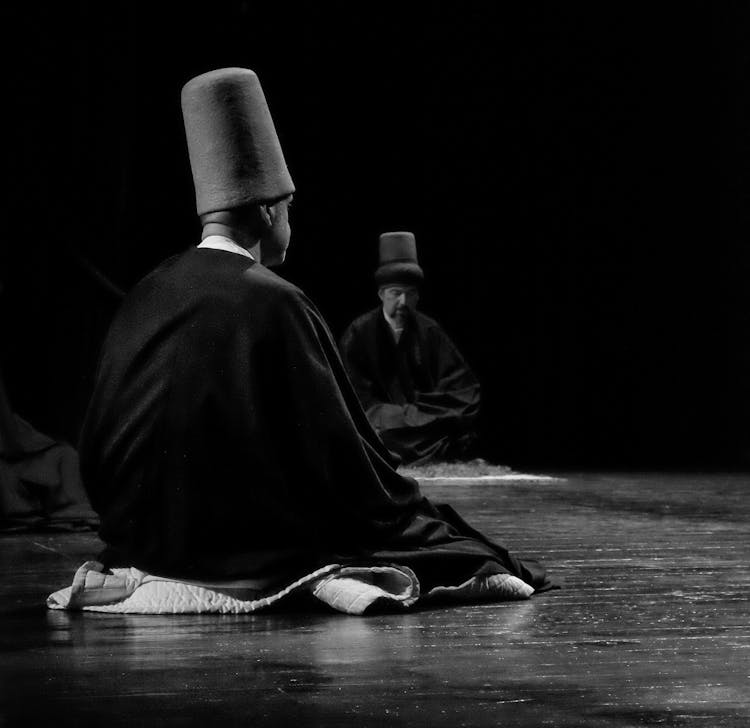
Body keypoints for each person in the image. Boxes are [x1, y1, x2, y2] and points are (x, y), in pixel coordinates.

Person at [78, 67, 548, 603]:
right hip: (227, 541)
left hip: (141, 532)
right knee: (451, 542)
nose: (291, 223)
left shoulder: (145, 292)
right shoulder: (275, 300)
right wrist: (413, 509)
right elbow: (343, 462)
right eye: (290, 209)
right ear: (267, 209)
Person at [339, 233, 481, 466]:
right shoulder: (359, 331)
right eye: (395, 293)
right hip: (381, 422)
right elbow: (351, 392)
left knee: (453, 427)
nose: (403, 302)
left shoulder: (429, 331)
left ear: (417, 297)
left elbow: (465, 389)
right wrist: (393, 415)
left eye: (409, 294)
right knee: (368, 432)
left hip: (421, 420)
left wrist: (415, 412)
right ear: (381, 294)